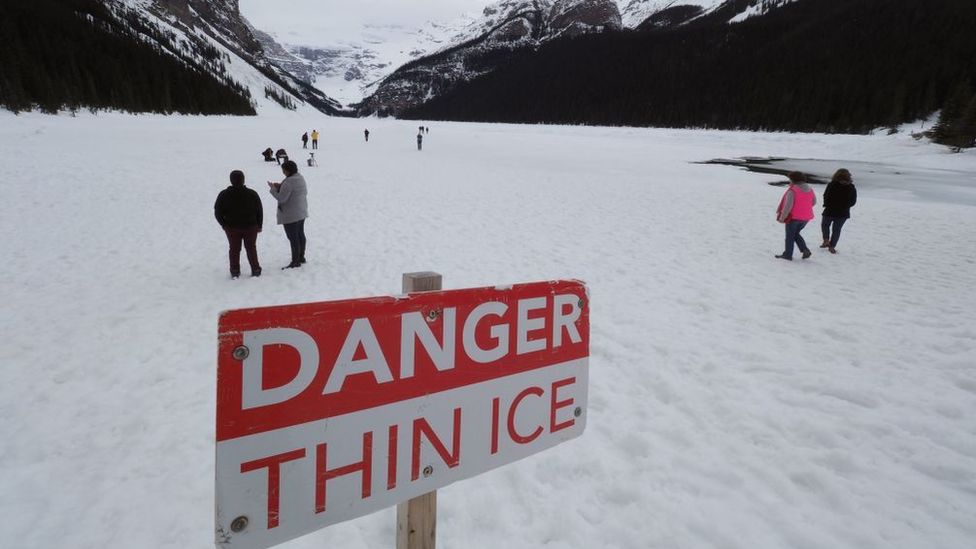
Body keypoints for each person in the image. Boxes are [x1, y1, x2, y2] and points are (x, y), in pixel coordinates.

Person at [214, 170, 263, 279]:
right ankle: (255, 269)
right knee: (251, 248)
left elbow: (217, 211)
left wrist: (224, 224)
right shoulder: (252, 193)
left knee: (234, 249)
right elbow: (259, 210)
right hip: (251, 226)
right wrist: (259, 225)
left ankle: (235, 270)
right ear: (243, 179)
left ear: (231, 180)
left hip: (231, 227)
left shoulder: (224, 194)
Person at [268, 160, 308, 269]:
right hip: (301, 211)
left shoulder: (289, 182)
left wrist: (273, 189)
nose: (283, 172)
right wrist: (281, 186)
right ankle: (301, 257)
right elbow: (292, 190)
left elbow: (281, 198)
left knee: (293, 238)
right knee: (300, 235)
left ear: (287, 170)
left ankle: (295, 261)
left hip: (291, 215)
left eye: (283, 170)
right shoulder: (300, 177)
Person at [775, 171, 817, 261]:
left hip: (794, 218)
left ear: (793, 179)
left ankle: (788, 255)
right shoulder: (810, 189)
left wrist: (782, 217)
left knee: (790, 236)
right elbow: (813, 202)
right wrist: (804, 208)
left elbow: (788, 206)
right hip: (806, 218)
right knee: (795, 234)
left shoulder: (793, 190)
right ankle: (805, 250)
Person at [820, 168, 857, 254]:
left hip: (830, 210)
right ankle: (832, 246)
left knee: (825, 225)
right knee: (837, 229)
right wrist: (846, 206)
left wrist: (826, 204)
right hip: (843, 212)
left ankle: (826, 240)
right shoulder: (851, 187)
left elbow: (826, 195)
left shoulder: (832, 184)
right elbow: (853, 201)